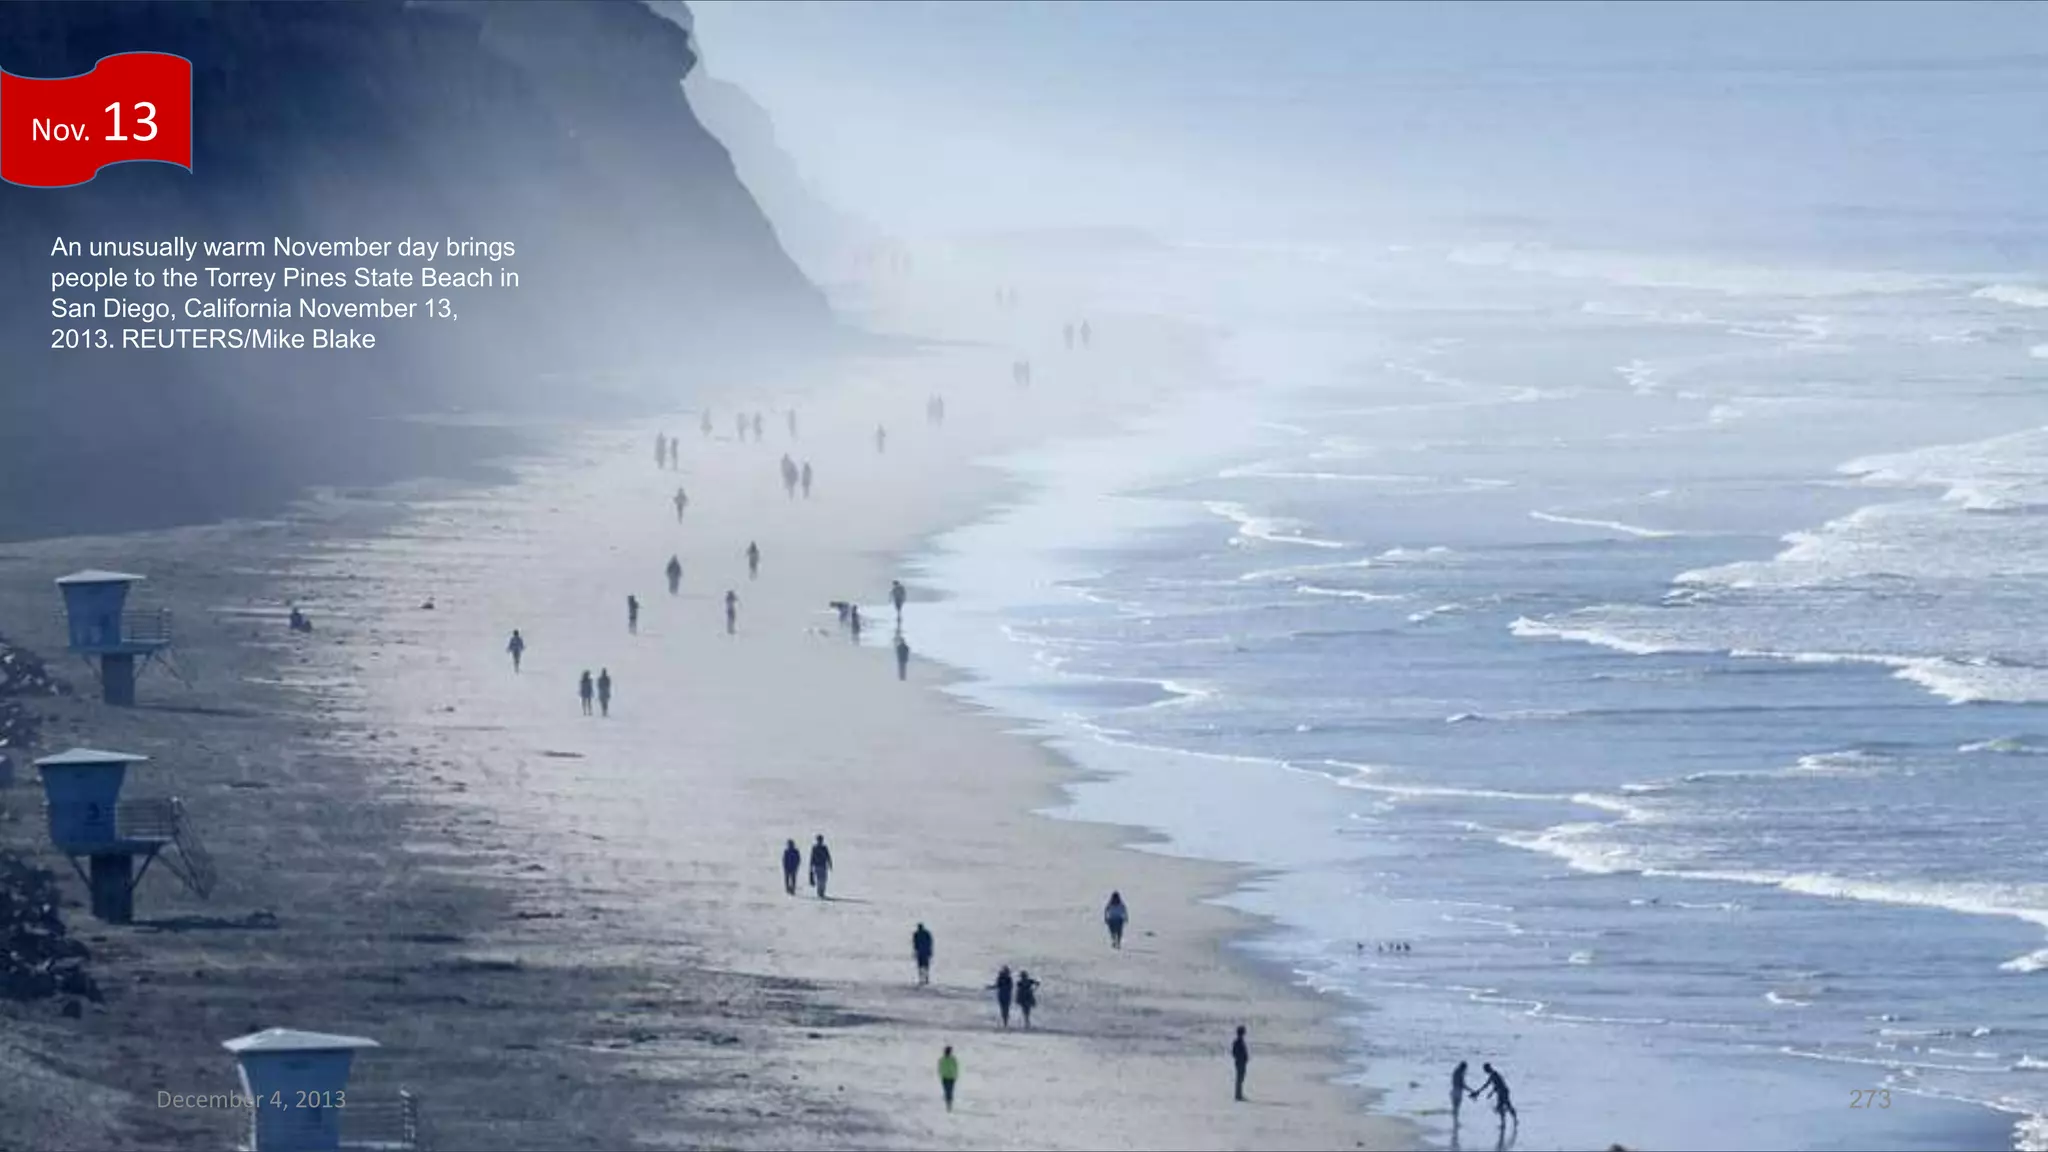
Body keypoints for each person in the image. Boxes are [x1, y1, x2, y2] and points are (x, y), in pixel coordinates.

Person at [808, 834, 833, 899]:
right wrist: (811, 866)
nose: (820, 841)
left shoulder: (824, 848)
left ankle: (821, 892)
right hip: (818, 866)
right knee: (820, 880)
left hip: (822, 866)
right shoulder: (815, 848)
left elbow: (828, 856)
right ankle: (820, 892)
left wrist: (830, 864)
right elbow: (812, 857)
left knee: (823, 880)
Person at [1231, 1025, 1250, 1102]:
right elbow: (1235, 1053)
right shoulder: (1238, 1042)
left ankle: (1239, 1094)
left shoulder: (1240, 1041)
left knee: (1241, 1078)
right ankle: (1238, 1095)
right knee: (1239, 1078)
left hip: (1241, 1062)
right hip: (1240, 1062)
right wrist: (1240, 1058)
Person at [937, 1046, 959, 1112]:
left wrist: (955, 1075)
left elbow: (956, 1067)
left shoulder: (952, 1059)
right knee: (947, 1090)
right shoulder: (942, 1059)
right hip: (945, 1077)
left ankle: (949, 1103)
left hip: (951, 1077)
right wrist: (941, 1075)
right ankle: (948, 1102)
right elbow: (940, 1068)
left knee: (950, 1090)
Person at [1451, 1060, 1472, 1124]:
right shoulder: (1460, 1073)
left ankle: (1455, 1121)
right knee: (1457, 1108)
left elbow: (1455, 1082)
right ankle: (1456, 1122)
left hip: (1454, 1090)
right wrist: (1470, 1090)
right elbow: (1462, 1084)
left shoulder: (1456, 1072)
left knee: (1455, 1108)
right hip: (1458, 1091)